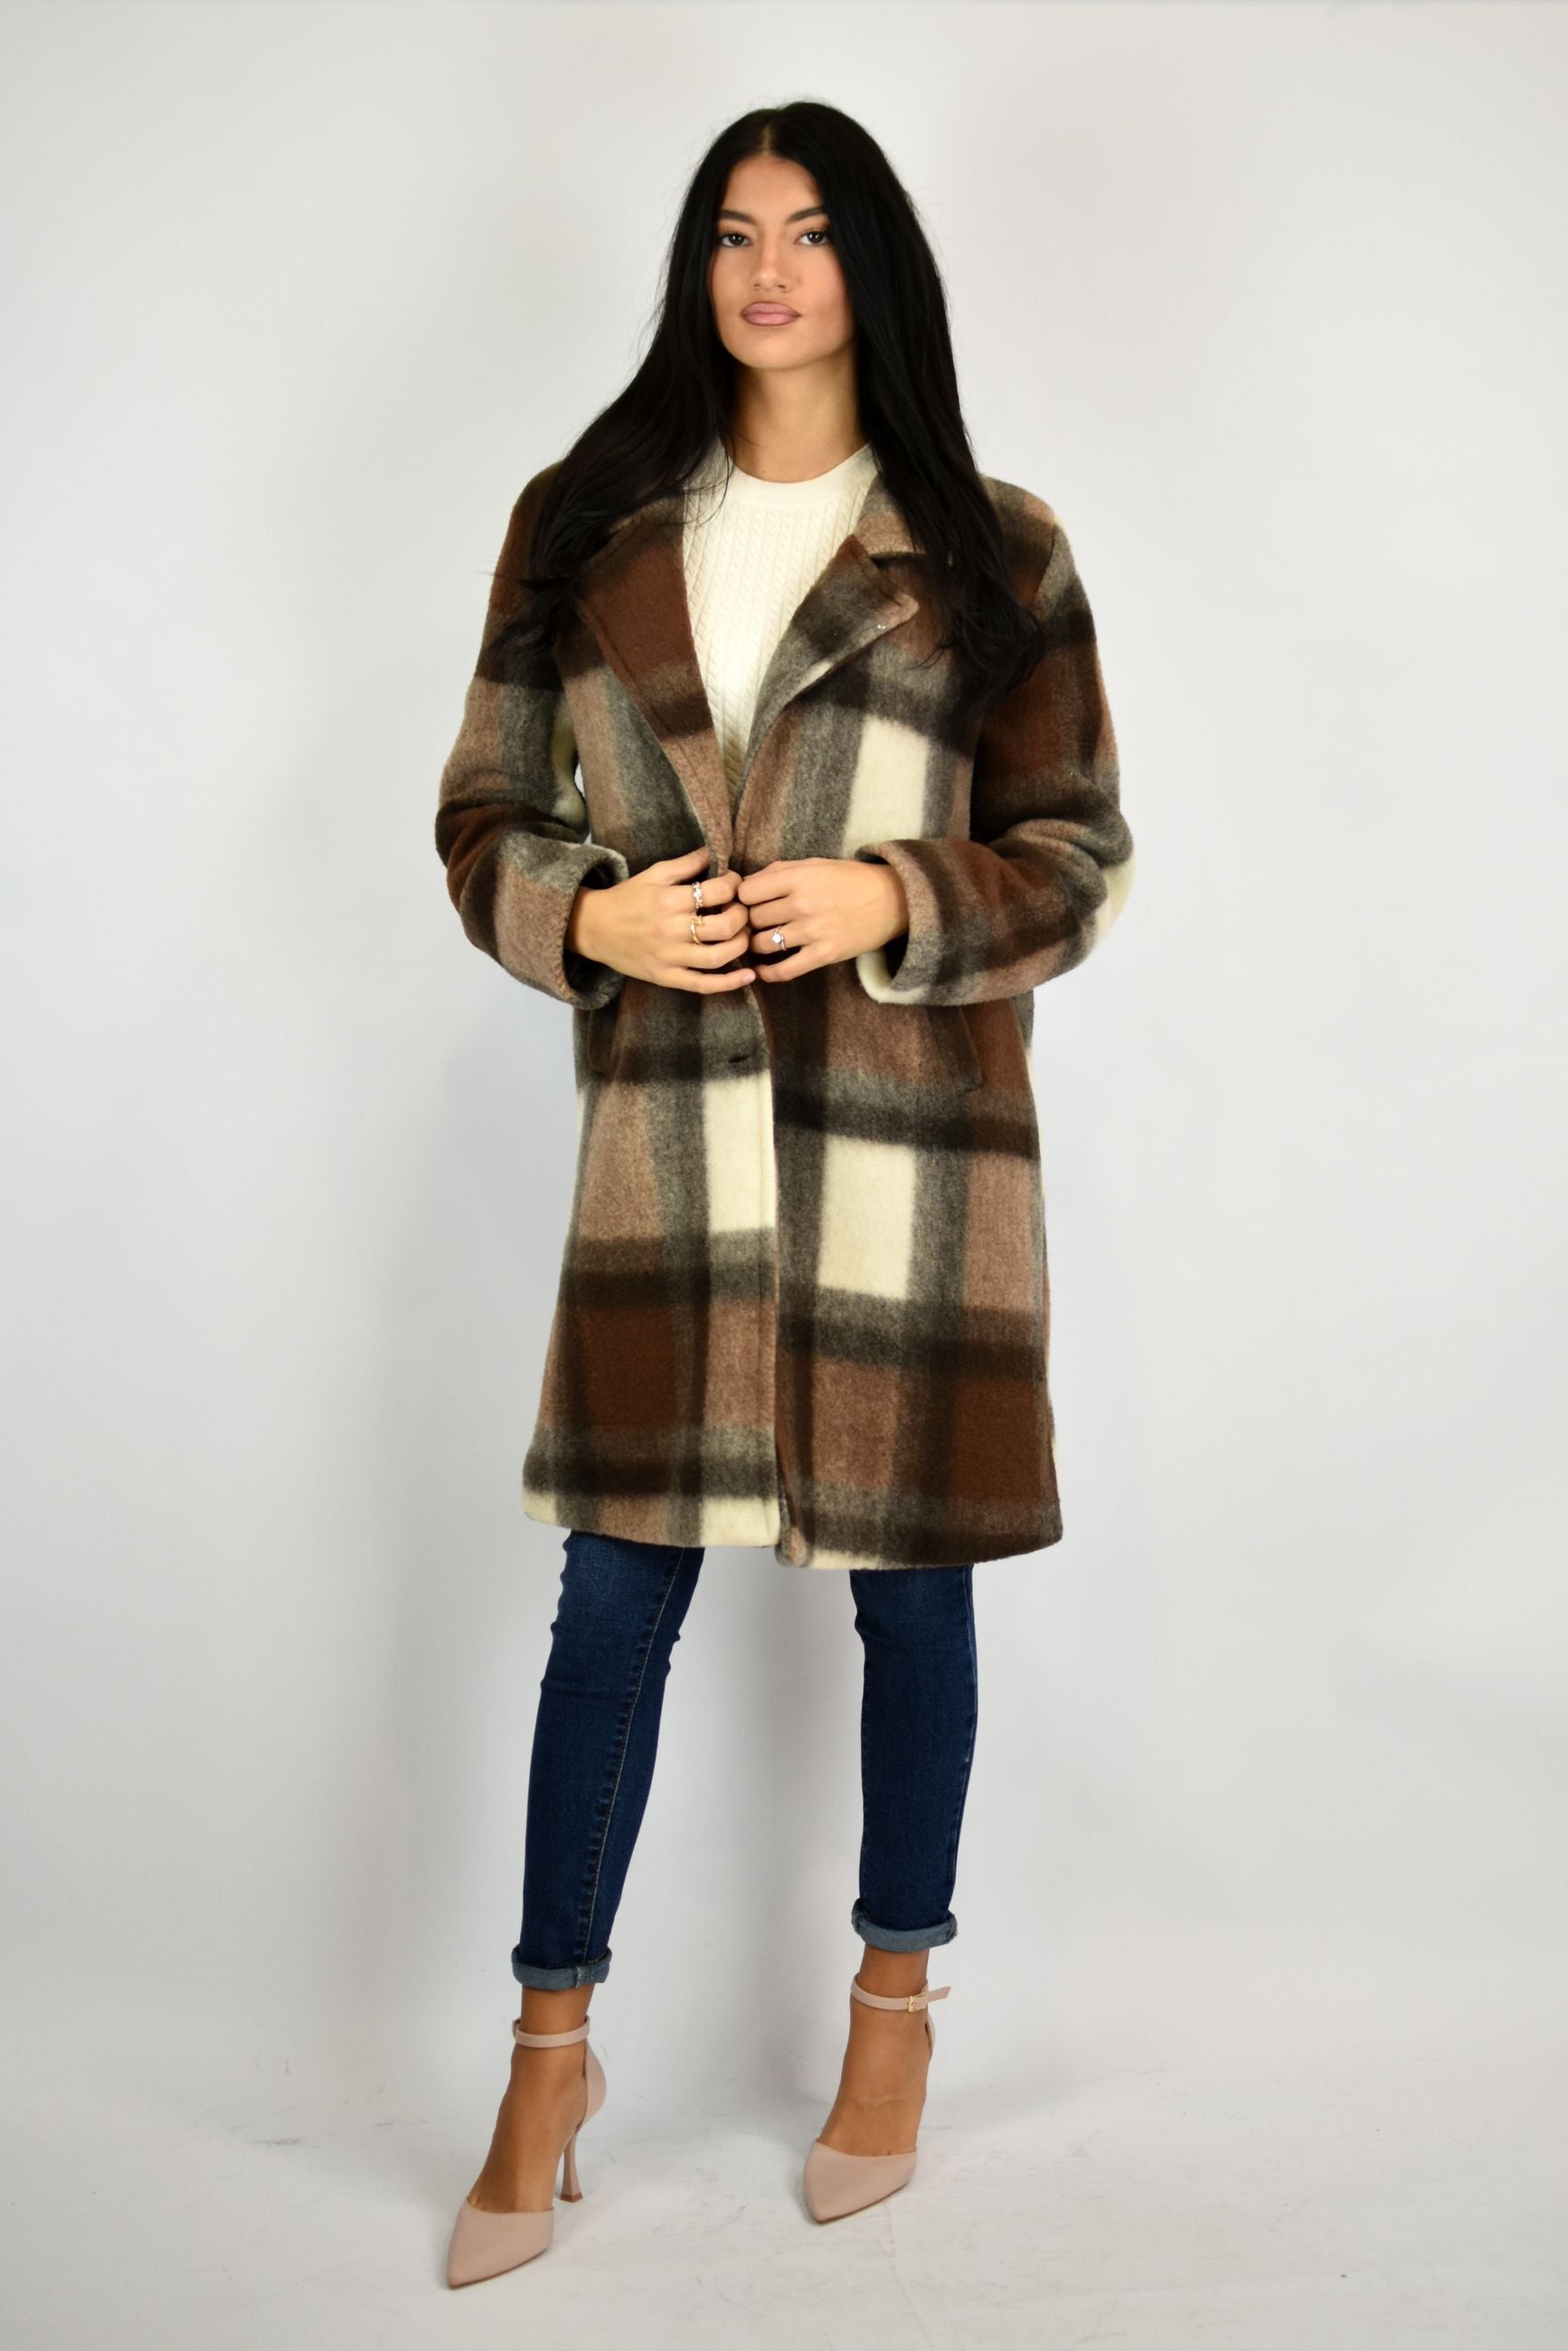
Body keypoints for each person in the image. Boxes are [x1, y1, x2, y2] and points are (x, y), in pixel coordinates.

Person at [433, 99, 1134, 2288]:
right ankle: (549, 2051)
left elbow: (1078, 855)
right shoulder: (585, 523)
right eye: (734, 232)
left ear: (871, 267)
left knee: (912, 1601)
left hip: (911, 1166)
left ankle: (895, 2005)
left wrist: (888, 891)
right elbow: (480, 814)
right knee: (610, 1604)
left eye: (812, 233)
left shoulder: (993, 549)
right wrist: (590, 916)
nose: (767, 271)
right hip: (668, 1152)